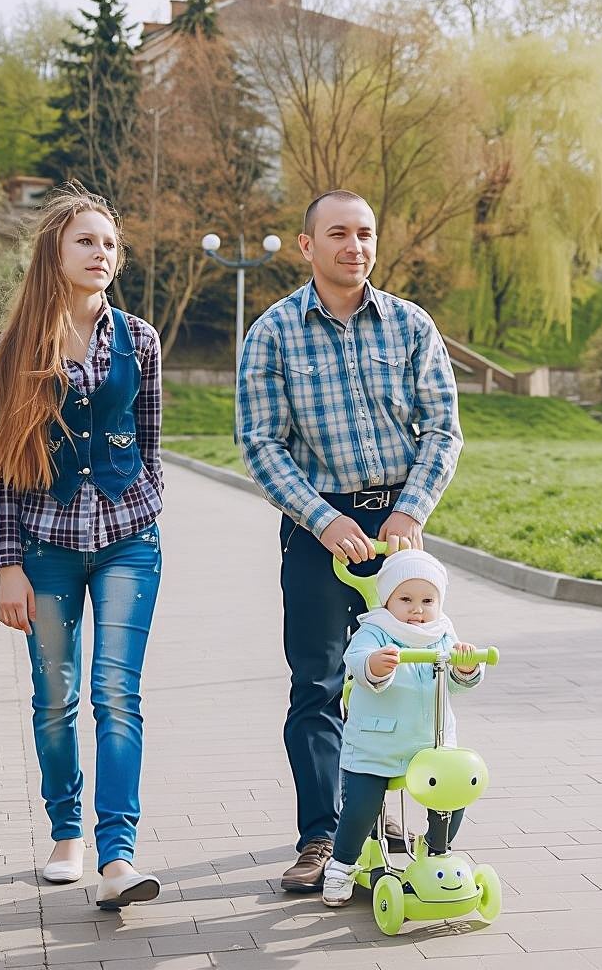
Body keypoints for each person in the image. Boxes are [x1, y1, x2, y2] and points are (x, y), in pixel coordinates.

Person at [237, 188, 463, 893]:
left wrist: (409, 509)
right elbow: (261, 443)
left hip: (400, 528)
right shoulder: (273, 332)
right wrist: (323, 520)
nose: (354, 246)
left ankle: (397, 812)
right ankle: (321, 837)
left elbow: (443, 428)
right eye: (338, 233)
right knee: (318, 681)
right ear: (307, 246)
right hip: (316, 526)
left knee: (408, 672)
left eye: (365, 233)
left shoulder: (411, 326)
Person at [0, 185, 164, 911]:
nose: (102, 255)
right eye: (87, 242)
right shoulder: (12, 350)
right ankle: (66, 836)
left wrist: (145, 510)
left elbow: (150, 445)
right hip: (46, 546)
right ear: (54, 252)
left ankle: (118, 856)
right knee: (56, 698)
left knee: (118, 694)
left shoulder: (141, 340)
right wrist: (7, 564)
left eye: (110, 244)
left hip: (128, 543)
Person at [322, 549, 484, 907]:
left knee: (452, 793)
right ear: (387, 599)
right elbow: (356, 661)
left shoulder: (442, 632)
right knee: (362, 805)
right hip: (377, 745)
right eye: (406, 599)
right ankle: (343, 862)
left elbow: (454, 684)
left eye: (428, 600)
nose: (417, 609)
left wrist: (467, 667)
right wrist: (376, 666)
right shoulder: (376, 631)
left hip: (432, 744)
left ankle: (437, 850)